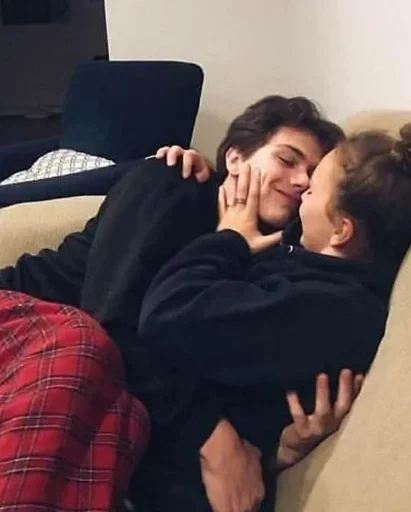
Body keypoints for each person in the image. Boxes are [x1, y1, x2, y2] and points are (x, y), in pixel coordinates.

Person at [0, 96, 363, 511]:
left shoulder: (274, 261)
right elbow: (110, 320)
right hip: (25, 322)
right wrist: (212, 436)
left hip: (89, 383)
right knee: (88, 348)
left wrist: (279, 451)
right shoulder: (174, 183)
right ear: (235, 158)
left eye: (312, 176)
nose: (300, 180)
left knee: (135, 429)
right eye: (287, 159)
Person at [138, 125, 411, 510]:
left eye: (313, 189)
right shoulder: (310, 265)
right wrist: (215, 175)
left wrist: (229, 239)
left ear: (341, 231)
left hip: (167, 472)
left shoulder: (326, 310)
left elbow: (166, 315)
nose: (302, 190)